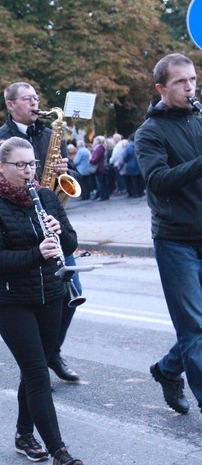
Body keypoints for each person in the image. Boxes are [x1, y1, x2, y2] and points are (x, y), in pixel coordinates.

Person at [0, 136, 82, 465]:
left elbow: (73, 240)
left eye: (31, 164)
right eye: (19, 165)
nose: (27, 171)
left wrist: (58, 234)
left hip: (52, 295)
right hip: (11, 301)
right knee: (38, 375)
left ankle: (23, 433)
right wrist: (36, 253)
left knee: (34, 369)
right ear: (1, 168)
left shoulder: (47, 197)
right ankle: (59, 452)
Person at [0, 82, 82, 383]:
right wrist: (15, 197)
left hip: (51, 225)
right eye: (28, 99)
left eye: (37, 97)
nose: (35, 103)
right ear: (10, 105)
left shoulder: (49, 135)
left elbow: (72, 180)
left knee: (73, 293)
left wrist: (64, 173)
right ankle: (42, 359)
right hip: (17, 234)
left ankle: (50, 351)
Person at [135, 53, 202, 416]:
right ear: (161, 88)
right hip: (176, 240)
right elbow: (158, 182)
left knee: (200, 328)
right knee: (195, 327)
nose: (190, 87)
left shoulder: (199, 119)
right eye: (181, 82)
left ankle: (166, 369)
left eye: (192, 79)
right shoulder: (149, 132)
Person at [122, 133, 144, 198]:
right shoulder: (140, 145)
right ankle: (141, 192)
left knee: (133, 181)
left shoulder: (128, 147)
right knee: (140, 179)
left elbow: (125, 157)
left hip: (131, 166)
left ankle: (135, 193)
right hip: (140, 165)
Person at [89, 136, 109, 201]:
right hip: (101, 167)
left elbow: (96, 158)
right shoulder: (101, 148)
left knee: (100, 183)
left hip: (99, 168)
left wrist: (91, 160)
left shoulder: (98, 149)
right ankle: (104, 195)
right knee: (103, 182)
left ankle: (102, 196)